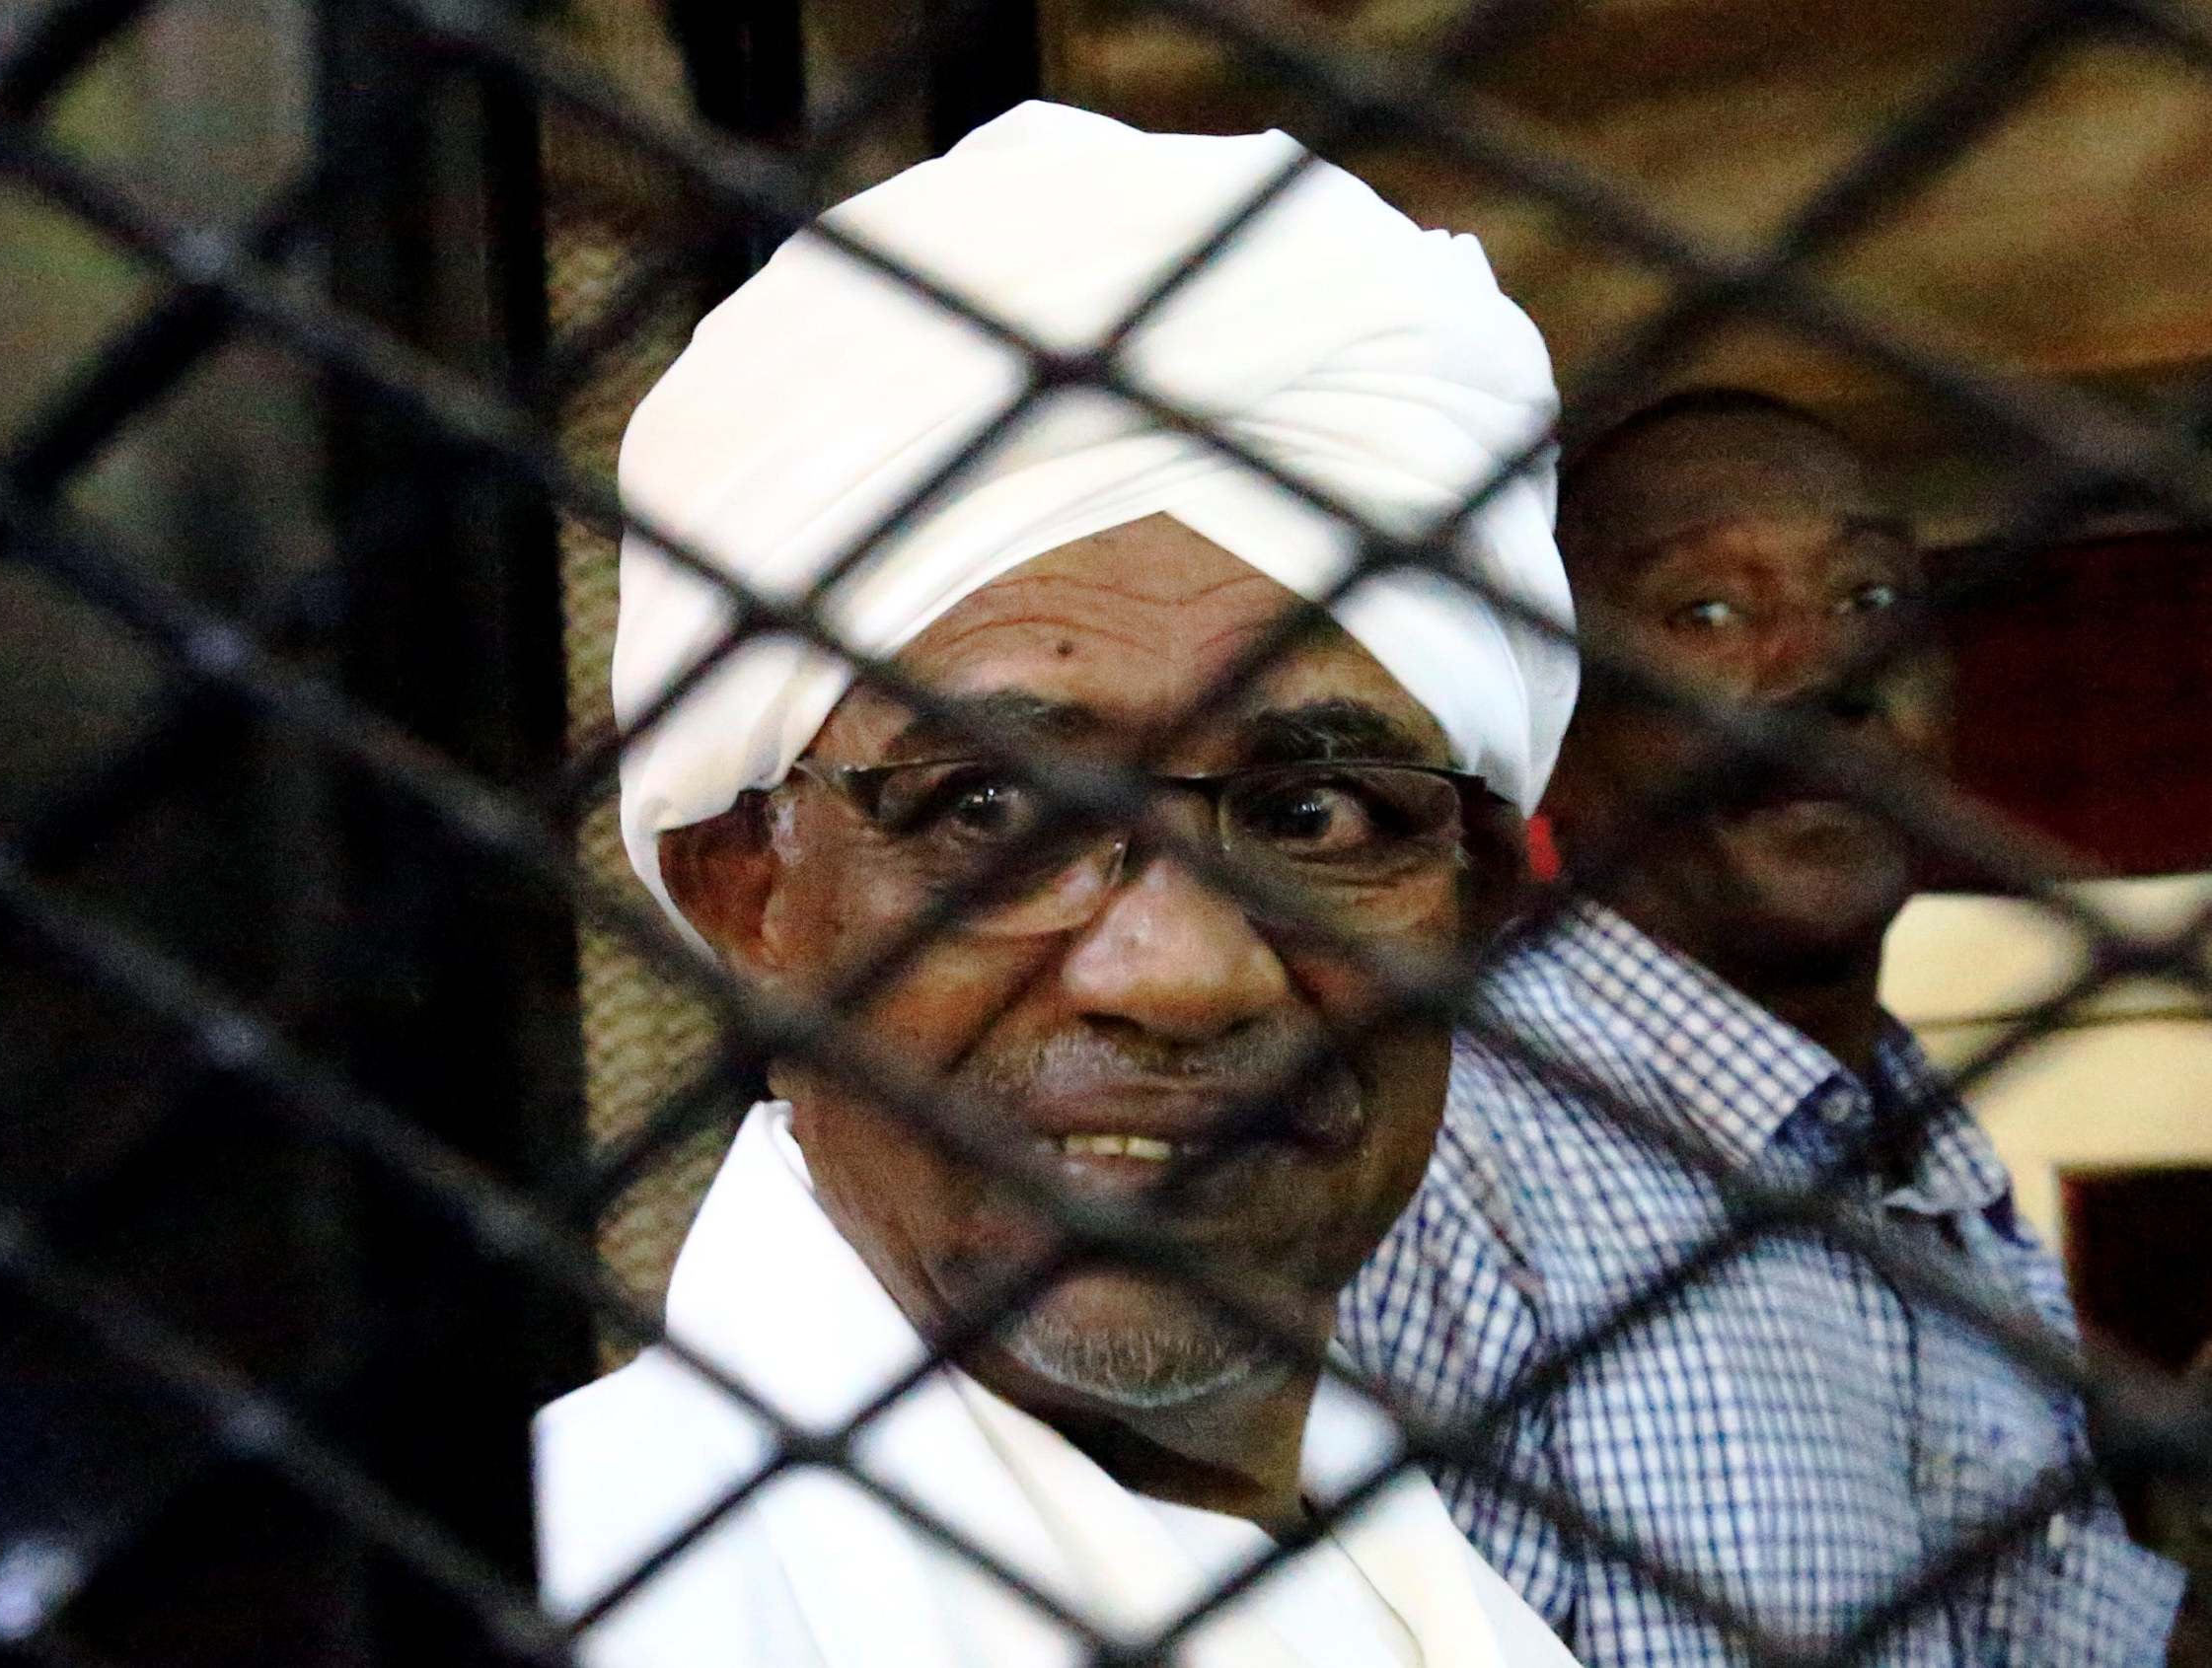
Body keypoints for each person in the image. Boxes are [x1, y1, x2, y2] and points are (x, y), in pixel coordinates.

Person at [535, 102, 1585, 1667]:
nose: (1179, 972)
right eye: (993, 813)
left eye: (1316, 816)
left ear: (1473, 898)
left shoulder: (1448, 1611)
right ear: (750, 896)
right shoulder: (564, 1597)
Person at [1341, 388, 2188, 1664]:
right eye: (1710, 613)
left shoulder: (1941, 1181)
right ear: (1554, 720)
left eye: (1871, 599)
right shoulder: (1446, 1149)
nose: (1825, 674)